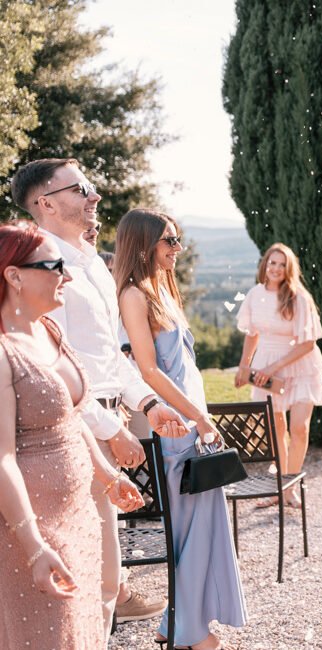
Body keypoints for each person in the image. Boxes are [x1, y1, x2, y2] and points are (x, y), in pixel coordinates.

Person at [8, 157, 189, 631]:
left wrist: (147, 404)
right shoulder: (40, 269)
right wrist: (110, 432)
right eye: (81, 188)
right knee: (93, 578)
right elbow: (56, 372)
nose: (96, 196)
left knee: (104, 578)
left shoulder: (93, 265)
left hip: (110, 418)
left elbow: (111, 359)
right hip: (69, 433)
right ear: (45, 203)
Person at [0, 221, 145, 648]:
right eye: (54, 265)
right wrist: (33, 546)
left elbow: (73, 416)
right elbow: (2, 459)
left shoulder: (50, 330)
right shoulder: (3, 351)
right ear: (13, 275)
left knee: (82, 631)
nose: (67, 275)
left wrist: (106, 475)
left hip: (78, 518)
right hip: (31, 532)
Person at [115, 209, 247, 650]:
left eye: (177, 240)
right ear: (144, 243)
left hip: (193, 423)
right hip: (176, 427)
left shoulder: (163, 291)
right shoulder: (133, 296)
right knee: (187, 532)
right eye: (169, 240)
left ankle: (176, 625)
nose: (176, 248)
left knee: (205, 527)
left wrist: (201, 418)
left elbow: (184, 366)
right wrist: (199, 417)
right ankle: (191, 634)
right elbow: (150, 371)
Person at [235, 243, 322, 508]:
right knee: (276, 429)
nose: (275, 268)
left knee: (299, 428)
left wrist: (272, 369)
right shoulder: (255, 294)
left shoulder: (299, 297)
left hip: (299, 367)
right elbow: (252, 333)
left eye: (281, 264)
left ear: (289, 269)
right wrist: (245, 367)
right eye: (272, 263)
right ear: (265, 265)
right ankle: (279, 489)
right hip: (266, 367)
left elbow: (307, 344)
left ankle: (290, 486)